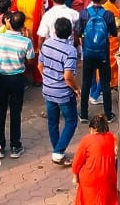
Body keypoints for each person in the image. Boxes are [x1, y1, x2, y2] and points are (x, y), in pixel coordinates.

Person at [0, 11, 35, 158]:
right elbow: (30, 61)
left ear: (9, 22)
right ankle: (15, 146)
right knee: (16, 111)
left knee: (0, 111)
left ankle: (0, 146)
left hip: (1, 78)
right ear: (23, 25)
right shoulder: (26, 42)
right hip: (17, 78)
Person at [38, 17, 79, 166]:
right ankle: (58, 151)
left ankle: (57, 151)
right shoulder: (70, 51)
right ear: (70, 33)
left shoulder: (47, 44)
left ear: (55, 30)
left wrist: (48, 79)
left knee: (53, 122)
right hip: (63, 92)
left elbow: (40, 66)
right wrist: (76, 88)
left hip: (48, 89)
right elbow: (68, 76)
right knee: (71, 121)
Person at [77, 0, 118, 124]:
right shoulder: (108, 15)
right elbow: (114, 33)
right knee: (105, 84)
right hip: (103, 54)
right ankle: (108, 114)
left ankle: (83, 114)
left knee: (86, 83)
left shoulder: (83, 14)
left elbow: (79, 31)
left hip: (88, 52)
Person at [71, 114, 118, 205]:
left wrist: (75, 176)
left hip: (90, 178)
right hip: (108, 177)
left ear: (92, 129)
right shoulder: (111, 137)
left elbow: (77, 162)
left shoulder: (87, 139)